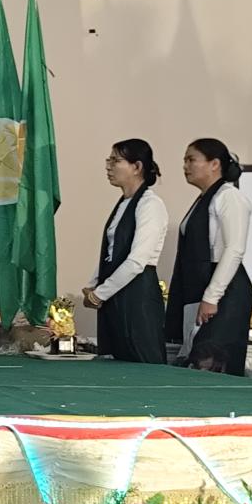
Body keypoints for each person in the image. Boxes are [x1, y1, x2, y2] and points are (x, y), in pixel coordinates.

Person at [167, 138, 252, 375]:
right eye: (184, 160)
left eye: (191, 160)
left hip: (226, 293)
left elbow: (234, 249)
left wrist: (211, 297)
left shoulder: (229, 197)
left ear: (214, 164)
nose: (185, 166)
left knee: (211, 364)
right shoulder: (203, 200)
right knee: (195, 362)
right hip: (204, 286)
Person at [79, 139, 168, 364]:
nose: (108, 167)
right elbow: (111, 252)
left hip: (137, 295)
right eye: (108, 160)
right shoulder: (123, 204)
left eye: (115, 161)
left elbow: (137, 261)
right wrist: (93, 283)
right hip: (115, 293)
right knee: (115, 362)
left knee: (141, 360)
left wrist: (100, 294)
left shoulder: (150, 204)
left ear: (137, 167)